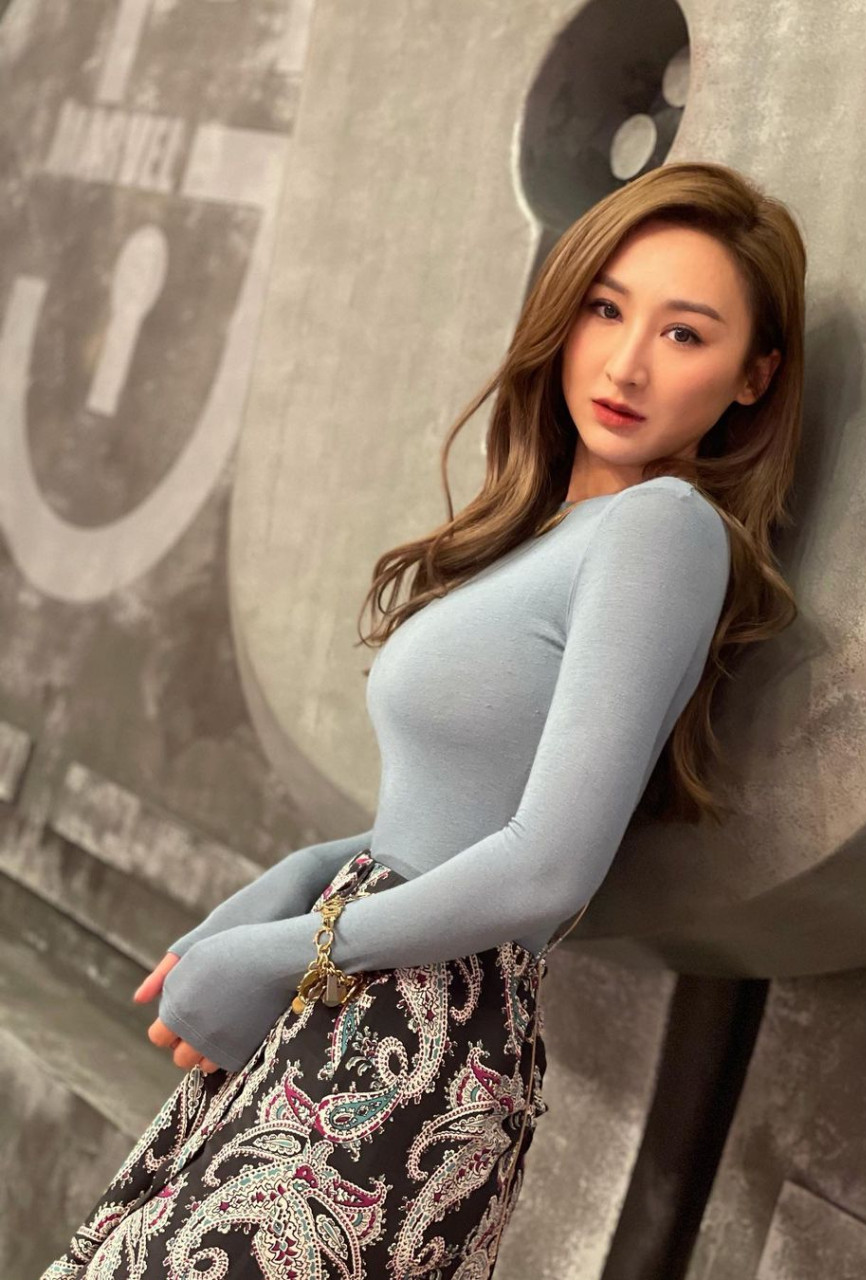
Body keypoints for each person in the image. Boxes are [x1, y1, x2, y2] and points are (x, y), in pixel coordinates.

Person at [41, 160, 805, 1278]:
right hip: (360, 1009)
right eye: (606, 308)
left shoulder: (663, 530)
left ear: (753, 377)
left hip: (416, 1046)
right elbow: (451, 819)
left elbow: (548, 866)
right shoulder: (547, 535)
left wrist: (288, 950)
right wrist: (305, 872)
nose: (627, 363)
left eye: (684, 333)